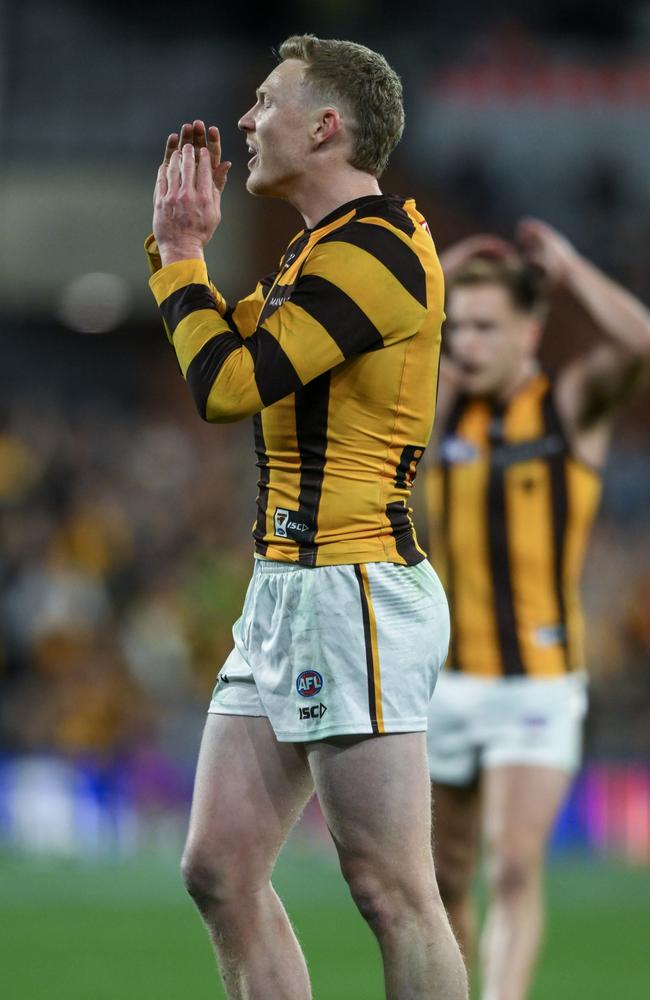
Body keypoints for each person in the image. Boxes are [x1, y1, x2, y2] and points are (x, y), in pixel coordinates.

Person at [145, 34, 467, 1000]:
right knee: (219, 869)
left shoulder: (379, 252)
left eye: (265, 102)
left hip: (353, 584)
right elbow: (226, 336)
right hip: (288, 586)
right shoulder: (319, 251)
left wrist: (182, 257)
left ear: (326, 125)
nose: (245, 122)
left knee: (391, 889)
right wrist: (180, 248)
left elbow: (229, 382)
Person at [424, 222, 650, 1000]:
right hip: (442, 685)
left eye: (487, 328)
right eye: (459, 329)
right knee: (444, 876)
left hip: (538, 683)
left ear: (531, 330)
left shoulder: (569, 410)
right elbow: (392, 338)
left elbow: (642, 343)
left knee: (513, 866)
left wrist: (575, 268)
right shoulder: (442, 409)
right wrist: (438, 273)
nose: (468, 346)